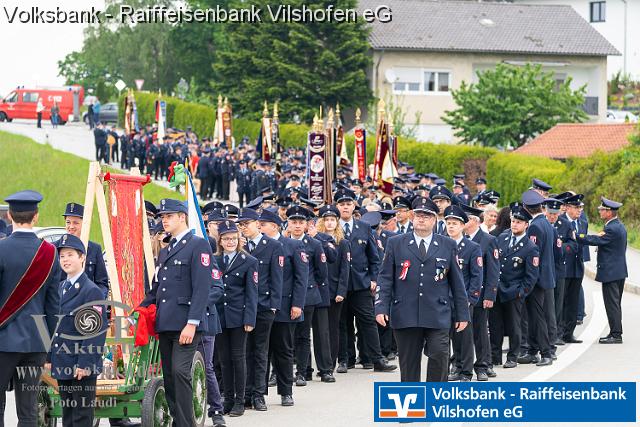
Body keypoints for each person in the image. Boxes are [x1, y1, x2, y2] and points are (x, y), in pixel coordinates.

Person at [139, 199, 221, 427]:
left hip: (186, 324)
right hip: (166, 323)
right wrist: (139, 309)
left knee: (181, 372)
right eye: (162, 217)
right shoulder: (168, 250)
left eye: (169, 216)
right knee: (170, 377)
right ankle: (178, 420)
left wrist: (192, 323)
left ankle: (186, 423)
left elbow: (202, 288)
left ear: (182, 217)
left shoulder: (198, 245)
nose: (164, 220)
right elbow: (157, 289)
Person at [375, 197, 469, 382]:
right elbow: (385, 278)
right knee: (409, 365)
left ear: (434, 220)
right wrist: (380, 307)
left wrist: (463, 314)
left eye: (427, 216)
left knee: (439, 356)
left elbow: (457, 282)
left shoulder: (447, 244)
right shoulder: (396, 243)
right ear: (412, 217)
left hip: (437, 312)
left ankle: (434, 402)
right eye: (418, 215)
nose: (421, 219)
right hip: (406, 312)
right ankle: (413, 407)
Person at [0, 190, 60, 427]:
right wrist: (47, 346)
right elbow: (53, 306)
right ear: (36, 217)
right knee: (28, 412)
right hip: (36, 343)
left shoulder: (1, 249)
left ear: (10, 217)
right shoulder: (50, 252)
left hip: (3, 341)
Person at [47, 234, 107, 427]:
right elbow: (53, 326)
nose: (65, 260)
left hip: (81, 365)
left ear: (82, 257)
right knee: (68, 415)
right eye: (62, 256)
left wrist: (85, 363)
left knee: (81, 417)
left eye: (70, 254)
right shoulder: (60, 287)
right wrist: (49, 357)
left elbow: (95, 332)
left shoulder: (91, 290)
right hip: (63, 362)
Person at [336, 189, 396, 373]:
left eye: (348, 204)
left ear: (354, 206)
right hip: (340, 285)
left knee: (369, 321)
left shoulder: (363, 227)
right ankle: (345, 360)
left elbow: (374, 257)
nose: (345, 207)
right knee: (342, 323)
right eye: (342, 204)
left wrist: (373, 278)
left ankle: (376, 359)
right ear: (337, 207)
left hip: (361, 283)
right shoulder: (332, 227)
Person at [237, 208, 283, 411]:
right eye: (241, 224)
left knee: (260, 351)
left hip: (264, 306)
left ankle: (259, 394)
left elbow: (277, 278)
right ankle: (245, 393)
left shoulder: (273, 246)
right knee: (244, 351)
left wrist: (274, 306)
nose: (243, 228)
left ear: (257, 223)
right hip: (243, 307)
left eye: (247, 223)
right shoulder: (239, 246)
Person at [214, 221, 258, 419]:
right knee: (224, 360)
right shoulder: (215, 260)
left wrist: (250, 318)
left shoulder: (249, 261)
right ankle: (228, 399)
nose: (230, 242)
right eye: (226, 238)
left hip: (239, 316)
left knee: (238, 358)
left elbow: (252, 293)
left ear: (239, 240)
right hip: (220, 317)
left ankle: (240, 400)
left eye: (233, 238)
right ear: (220, 241)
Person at [287, 206, 333, 385]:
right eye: (294, 222)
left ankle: (313, 370)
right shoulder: (282, 243)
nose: (297, 226)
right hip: (289, 296)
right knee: (290, 336)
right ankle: (296, 370)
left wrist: (310, 286)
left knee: (310, 334)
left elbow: (322, 272)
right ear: (288, 224)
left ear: (307, 224)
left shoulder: (314, 244)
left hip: (309, 294)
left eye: (301, 222)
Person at [491, 203, 539, 369]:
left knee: (514, 326)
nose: (514, 224)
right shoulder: (502, 237)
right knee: (495, 325)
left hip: (513, 292)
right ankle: (495, 356)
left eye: (518, 222)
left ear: (526, 225)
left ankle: (513, 356)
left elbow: (531, 276)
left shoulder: (530, 247)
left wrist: (521, 292)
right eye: (513, 221)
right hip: (497, 289)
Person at [576, 197, 628, 344]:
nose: (600, 211)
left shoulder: (611, 228)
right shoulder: (618, 225)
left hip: (611, 273)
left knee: (612, 305)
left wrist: (578, 236)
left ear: (609, 212)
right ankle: (615, 332)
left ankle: (616, 334)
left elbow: (595, 240)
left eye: (602, 209)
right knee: (615, 304)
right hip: (618, 271)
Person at [444, 205, 483, 382]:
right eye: (448, 223)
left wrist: (471, 298)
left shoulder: (472, 247)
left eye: (455, 224)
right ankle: (456, 366)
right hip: (445, 299)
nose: (451, 227)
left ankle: (466, 371)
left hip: (464, 299)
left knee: (465, 337)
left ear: (462, 226)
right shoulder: (442, 245)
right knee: (451, 336)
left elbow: (476, 276)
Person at [462, 204, 500, 380]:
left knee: (480, 331)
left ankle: (483, 365)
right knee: (461, 332)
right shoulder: (460, 239)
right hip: (462, 294)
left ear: (473, 221)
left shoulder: (488, 240)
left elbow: (493, 270)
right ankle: (461, 364)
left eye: (465, 219)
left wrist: (490, 295)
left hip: (480, 293)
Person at [519, 190, 555, 367]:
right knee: (534, 316)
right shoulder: (547, 223)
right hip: (545, 276)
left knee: (538, 317)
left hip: (536, 278)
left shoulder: (534, 227)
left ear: (526, 208)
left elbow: (533, 255)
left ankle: (546, 352)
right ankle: (533, 351)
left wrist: (528, 279)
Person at [316, 205, 350, 370]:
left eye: (332, 220)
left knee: (333, 327)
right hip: (318, 290)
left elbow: (345, 269)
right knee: (320, 330)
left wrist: (341, 291)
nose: (329, 223)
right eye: (326, 220)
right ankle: (322, 362)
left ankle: (332, 361)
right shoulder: (316, 240)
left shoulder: (342, 243)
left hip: (335, 291)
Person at [58, 203, 109, 297]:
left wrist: (96, 301)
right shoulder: (55, 248)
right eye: (68, 222)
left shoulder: (94, 249)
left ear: (85, 224)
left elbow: (102, 283)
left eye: (76, 223)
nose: (71, 227)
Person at [561, 194, 588, 344]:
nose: (580, 210)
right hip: (564, 267)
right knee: (562, 302)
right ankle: (559, 332)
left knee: (573, 301)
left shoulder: (582, 222)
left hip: (577, 266)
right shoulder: (561, 222)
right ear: (568, 207)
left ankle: (568, 333)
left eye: (581, 207)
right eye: (577, 207)